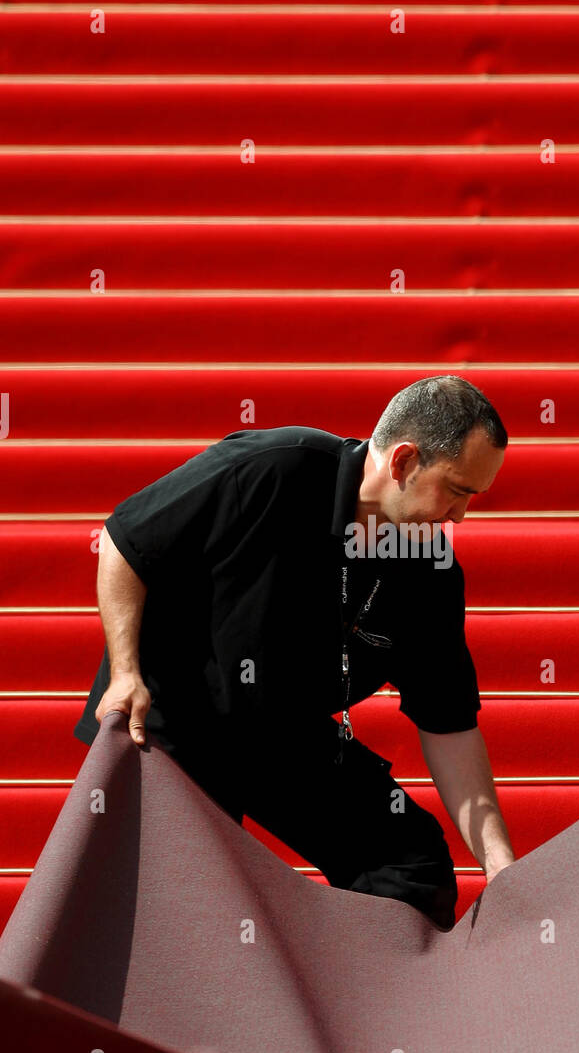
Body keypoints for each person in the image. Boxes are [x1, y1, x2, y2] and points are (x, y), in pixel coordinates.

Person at [73, 375, 517, 929]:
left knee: (410, 863)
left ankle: (355, 1004)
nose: (460, 517)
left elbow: (448, 723)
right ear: (403, 461)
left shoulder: (431, 570)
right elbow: (126, 539)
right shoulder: (273, 467)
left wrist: (498, 862)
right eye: (456, 490)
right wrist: (125, 672)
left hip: (282, 730)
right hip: (173, 717)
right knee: (192, 897)